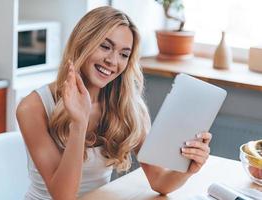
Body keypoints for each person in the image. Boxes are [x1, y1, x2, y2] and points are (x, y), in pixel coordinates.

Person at [16, 6, 211, 200]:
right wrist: (79, 124)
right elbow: (64, 196)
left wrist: (187, 169)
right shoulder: (33, 107)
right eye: (105, 46)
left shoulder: (129, 108)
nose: (112, 61)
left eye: (124, 54)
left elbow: (159, 181)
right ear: (83, 42)